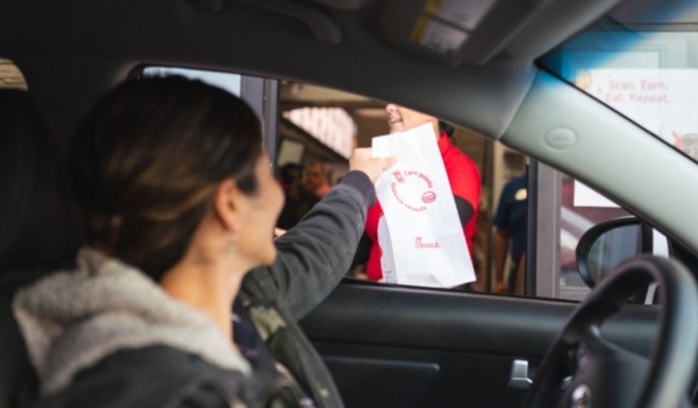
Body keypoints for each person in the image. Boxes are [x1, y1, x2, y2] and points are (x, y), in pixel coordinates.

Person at [12, 77, 394, 408]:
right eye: (265, 173)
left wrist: (358, 182)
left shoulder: (234, 299)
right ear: (230, 205)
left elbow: (315, 253)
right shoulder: (162, 393)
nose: (279, 195)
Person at [355, 103, 481, 283]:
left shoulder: (457, 165)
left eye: (399, 100)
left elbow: (445, 221)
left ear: (433, 113)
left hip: (435, 298)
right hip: (382, 293)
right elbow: (368, 241)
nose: (389, 107)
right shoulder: (387, 168)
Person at [492, 174, 529, 294]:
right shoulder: (513, 187)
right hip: (518, 267)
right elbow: (501, 234)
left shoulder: (564, 186)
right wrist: (499, 279)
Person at [276, 163, 319, 229]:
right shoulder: (287, 198)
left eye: (315, 175)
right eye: (308, 174)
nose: (310, 178)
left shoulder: (317, 201)